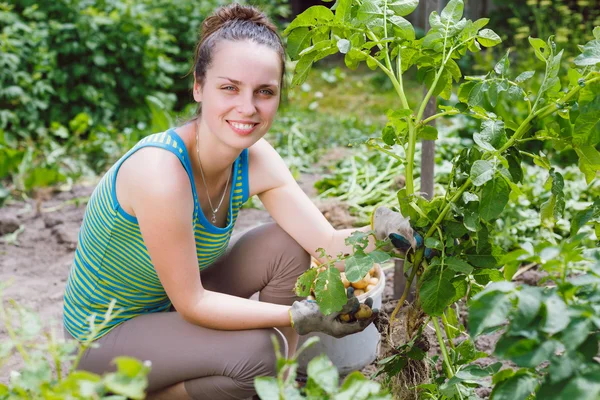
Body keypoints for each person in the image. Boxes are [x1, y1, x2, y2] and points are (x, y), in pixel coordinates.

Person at [62, 3, 418, 399]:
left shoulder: (256, 159)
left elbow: (329, 247)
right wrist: (300, 316)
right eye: (229, 87)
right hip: (105, 337)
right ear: (198, 86)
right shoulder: (160, 172)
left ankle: (276, 386)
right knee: (256, 354)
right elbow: (193, 303)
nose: (248, 108)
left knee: (285, 247)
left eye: (264, 92)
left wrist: (389, 233)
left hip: (166, 309)